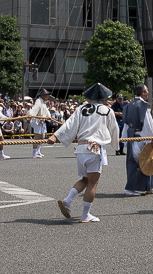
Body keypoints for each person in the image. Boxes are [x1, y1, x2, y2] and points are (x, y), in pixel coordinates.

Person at [47, 83, 120, 223]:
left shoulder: (81, 108)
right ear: (103, 98)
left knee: (85, 180)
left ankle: (68, 200)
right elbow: (114, 129)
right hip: (94, 149)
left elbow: (70, 124)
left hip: (81, 149)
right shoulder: (107, 110)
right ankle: (85, 214)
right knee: (93, 183)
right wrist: (116, 145)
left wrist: (55, 136)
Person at [121, 84, 153, 196]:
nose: (148, 93)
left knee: (133, 162)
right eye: (147, 91)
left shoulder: (128, 105)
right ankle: (141, 187)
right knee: (147, 161)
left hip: (131, 136)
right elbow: (148, 123)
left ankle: (145, 187)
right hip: (141, 136)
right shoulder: (142, 105)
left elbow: (126, 124)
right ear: (143, 92)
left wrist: (125, 139)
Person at [28, 89, 51, 159]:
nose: (47, 96)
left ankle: (38, 151)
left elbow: (46, 110)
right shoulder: (38, 101)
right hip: (37, 121)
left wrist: (49, 116)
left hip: (42, 121)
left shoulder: (43, 102)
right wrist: (31, 114)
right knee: (37, 137)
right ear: (42, 95)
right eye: (46, 95)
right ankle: (34, 152)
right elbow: (35, 109)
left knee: (42, 136)